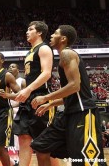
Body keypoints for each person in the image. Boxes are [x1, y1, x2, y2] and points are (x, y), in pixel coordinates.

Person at [31, 25, 107, 166]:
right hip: (69, 114)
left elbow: (74, 86)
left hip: (83, 112)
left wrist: (46, 97)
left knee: (88, 161)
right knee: (40, 146)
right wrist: (51, 104)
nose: (52, 36)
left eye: (55, 33)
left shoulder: (67, 53)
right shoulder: (62, 58)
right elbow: (73, 93)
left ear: (63, 38)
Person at [13, 21, 56, 166]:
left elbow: (46, 74)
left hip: (41, 97)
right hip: (28, 98)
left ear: (39, 33)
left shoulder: (44, 48)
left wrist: (28, 89)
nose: (27, 32)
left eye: (30, 29)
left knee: (43, 143)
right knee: (24, 136)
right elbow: (29, 78)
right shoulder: (29, 52)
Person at [8, 63, 25, 155]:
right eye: (9, 67)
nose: (10, 68)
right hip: (7, 113)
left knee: (19, 141)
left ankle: (21, 161)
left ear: (18, 70)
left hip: (18, 112)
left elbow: (24, 99)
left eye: (13, 66)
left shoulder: (22, 81)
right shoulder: (6, 82)